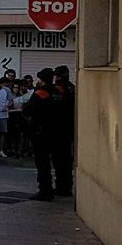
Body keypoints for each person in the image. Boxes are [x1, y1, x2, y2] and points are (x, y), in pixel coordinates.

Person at [24, 68, 64, 200]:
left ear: (41, 80)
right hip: (58, 131)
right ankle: (62, 186)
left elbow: (28, 110)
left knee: (42, 161)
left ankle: (45, 190)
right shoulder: (59, 91)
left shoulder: (40, 93)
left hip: (41, 132)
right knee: (59, 160)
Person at [52, 65, 76, 196]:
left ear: (58, 76)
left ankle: (62, 187)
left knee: (59, 160)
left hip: (58, 128)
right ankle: (67, 186)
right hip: (70, 128)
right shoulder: (72, 88)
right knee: (66, 160)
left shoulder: (57, 89)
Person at [0, 77, 13, 159]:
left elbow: (11, 101)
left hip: (3, 115)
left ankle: (1, 150)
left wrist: (6, 106)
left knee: (2, 132)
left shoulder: (6, 90)